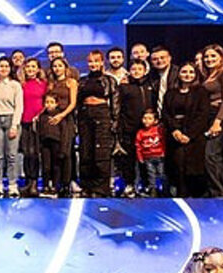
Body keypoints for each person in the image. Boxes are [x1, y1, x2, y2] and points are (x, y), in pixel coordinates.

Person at [162, 63, 210, 197]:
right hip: (175, 135)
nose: (187, 75)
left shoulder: (201, 92)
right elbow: (165, 113)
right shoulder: (170, 93)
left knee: (194, 170)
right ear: (178, 74)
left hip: (194, 136)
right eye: (184, 72)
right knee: (177, 167)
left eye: (191, 72)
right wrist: (175, 130)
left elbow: (203, 114)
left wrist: (189, 135)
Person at [77, 50, 119, 198]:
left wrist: (114, 120)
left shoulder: (109, 80)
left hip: (102, 114)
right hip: (85, 114)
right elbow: (77, 102)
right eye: (90, 61)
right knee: (86, 151)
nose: (93, 64)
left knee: (101, 152)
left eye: (96, 61)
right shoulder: (82, 80)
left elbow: (115, 101)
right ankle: (86, 186)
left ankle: (101, 188)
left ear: (102, 62)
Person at [199, 44, 223, 199]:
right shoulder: (208, 75)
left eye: (213, 56)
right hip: (209, 117)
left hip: (221, 116)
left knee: (212, 155)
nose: (209, 59)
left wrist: (218, 121)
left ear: (221, 57)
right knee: (211, 156)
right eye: (206, 56)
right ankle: (216, 191)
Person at [115, 60, 153, 198]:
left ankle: (147, 185)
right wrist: (120, 126)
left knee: (146, 158)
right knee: (129, 159)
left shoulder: (150, 86)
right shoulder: (124, 87)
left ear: (145, 71)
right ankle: (129, 184)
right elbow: (118, 107)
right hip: (129, 128)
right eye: (134, 69)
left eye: (139, 69)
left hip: (147, 129)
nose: (136, 72)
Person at [0, 56, 23, 198]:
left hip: (11, 120)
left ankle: (12, 184)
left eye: (6, 66)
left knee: (12, 155)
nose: (3, 69)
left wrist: (14, 125)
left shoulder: (15, 85)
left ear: (10, 69)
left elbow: (19, 106)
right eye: (1, 66)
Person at [45, 57, 77, 197]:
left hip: (66, 119)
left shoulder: (71, 82)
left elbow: (73, 103)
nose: (57, 68)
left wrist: (62, 115)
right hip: (53, 121)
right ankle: (56, 184)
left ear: (65, 67)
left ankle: (66, 184)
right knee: (55, 154)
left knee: (66, 152)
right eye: (54, 66)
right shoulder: (51, 84)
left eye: (59, 65)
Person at [19, 58, 46, 198]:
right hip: (24, 121)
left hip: (37, 123)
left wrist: (40, 115)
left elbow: (48, 103)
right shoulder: (20, 85)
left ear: (38, 69)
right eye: (28, 67)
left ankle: (35, 182)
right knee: (26, 153)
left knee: (35, 153)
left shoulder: (43, 84)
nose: (30, 69)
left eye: (33, 67)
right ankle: (28, 181)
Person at [38, 92, 69, 198]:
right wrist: (39, 145)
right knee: (46, 166)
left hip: (56, 143)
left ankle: (56, 187)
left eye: (52, 102)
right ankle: (46, 186)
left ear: (56, 104)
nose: (49, 104)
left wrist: (63, 149)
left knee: (56, 166)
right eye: (47, 102)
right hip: (45, 144)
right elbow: (39, 132)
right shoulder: (42, 116)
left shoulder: (60, 117)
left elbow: (64, 132)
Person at [135, 109, 166, 197]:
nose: (146, 121)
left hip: (159, 156)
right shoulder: (140, 133)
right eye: (144, 118)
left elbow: (163, 141)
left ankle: (164, 189)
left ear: (155, 121)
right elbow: (138, 146)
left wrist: (163, 152)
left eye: (149, 118)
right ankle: (153, 189)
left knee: (161, 173)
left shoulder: (158, 130)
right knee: (151, 174)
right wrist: (140, 157)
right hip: (148, 157)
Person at [149, 46, 180, 117]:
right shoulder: (151, 76)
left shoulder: (179, 73)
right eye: (155, 59)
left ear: (169, 58)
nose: (159, 61)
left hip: (176, 116)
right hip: (157, 117)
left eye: (162, 57)